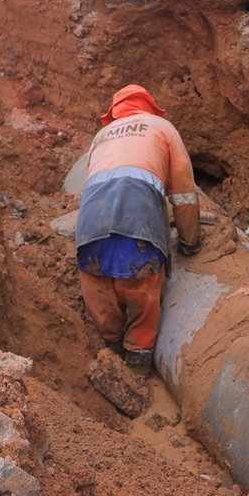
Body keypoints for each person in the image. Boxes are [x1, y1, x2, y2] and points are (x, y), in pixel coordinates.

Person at [75, 85, 201, 370]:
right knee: (142, 286)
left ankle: (111, 348)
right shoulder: (163, 127)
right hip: (138, 221)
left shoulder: (100, 136)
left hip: (91, 224)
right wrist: (190, 241)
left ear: (115, 113)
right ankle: (138, 361)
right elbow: (183, 191)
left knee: (97, 283)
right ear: (149, 107)